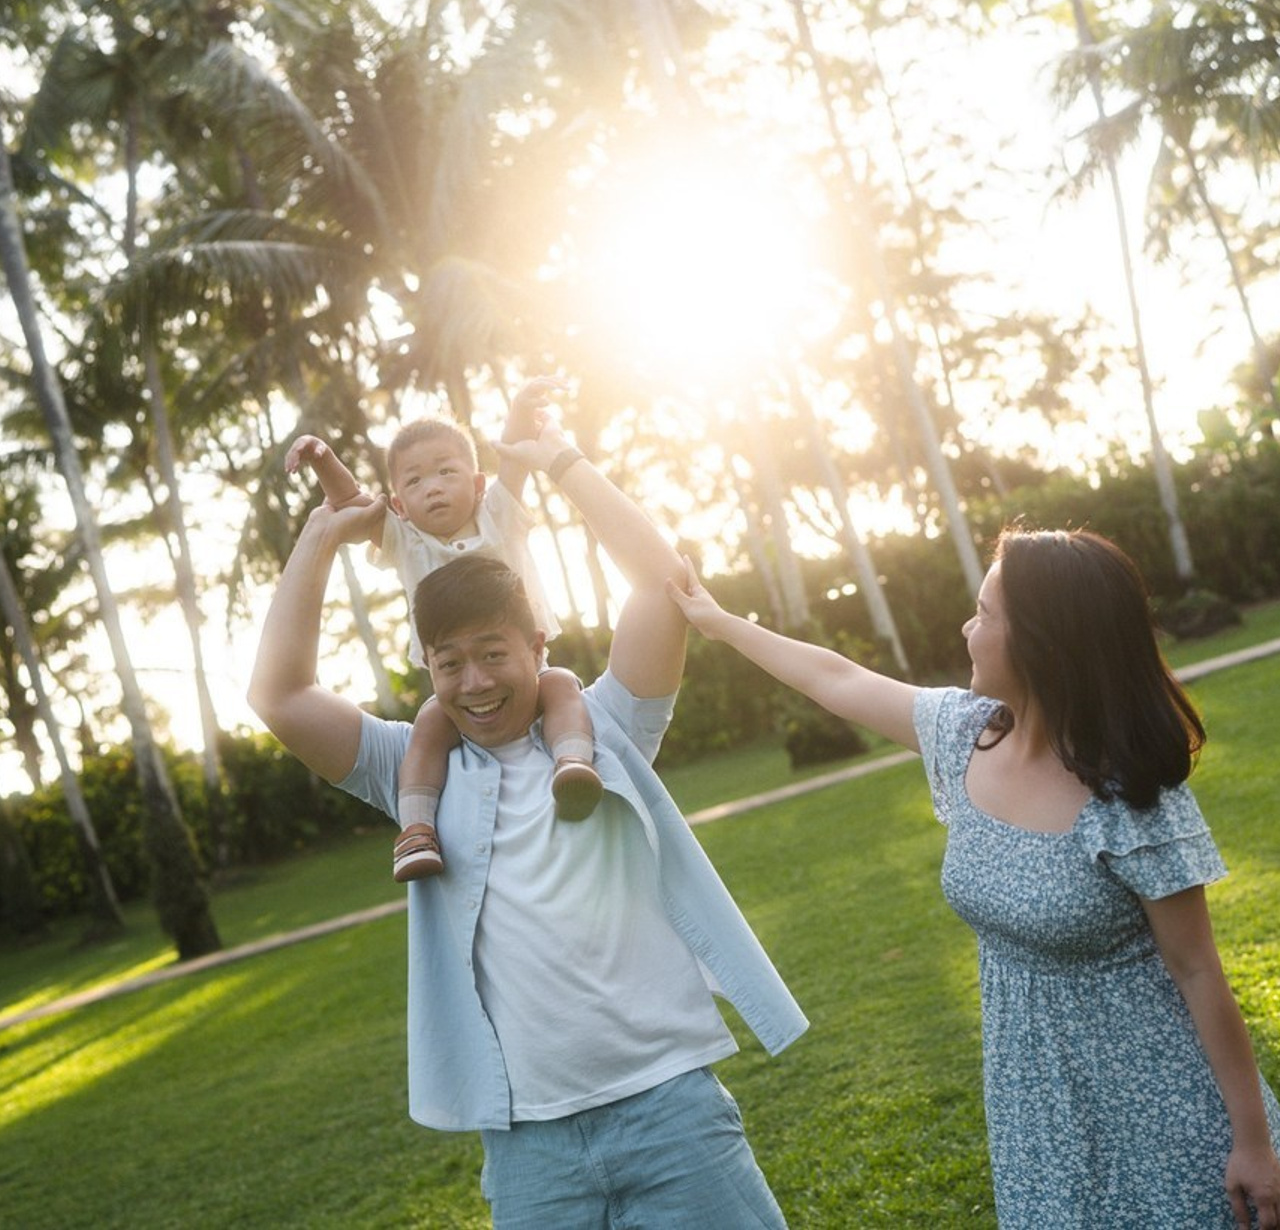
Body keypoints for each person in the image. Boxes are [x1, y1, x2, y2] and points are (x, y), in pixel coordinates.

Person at [249, 418, 807, 1226]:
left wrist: (562, 462)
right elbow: (280, 696)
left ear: (537, 646)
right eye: (449, 663)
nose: (474, 683)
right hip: (528, 1149)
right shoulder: (413, 768)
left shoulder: (608, 726)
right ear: (427, 666)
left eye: (493, 654)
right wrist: (323, 534)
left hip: (671, 1114)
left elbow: (664, 584)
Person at [666, 525, 1280, 1230]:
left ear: (1043, 643)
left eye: (985, 613)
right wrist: (719, 623)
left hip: (1164, 1105)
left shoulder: (1130, 794)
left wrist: (1254, 1142)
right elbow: (836, 678)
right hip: (1036, 1106)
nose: (966, 627)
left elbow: (1198, 970)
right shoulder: (966, 735)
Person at [284, 378, 602, 884]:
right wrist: (323, 459)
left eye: (446, 472)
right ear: (399, 504)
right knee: (429, 727)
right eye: (414, 481)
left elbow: (514, 461)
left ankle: (572, 765)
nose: (432, 487)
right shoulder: (403, 540)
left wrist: (520, 410)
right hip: (455, 683)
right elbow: (352, 502)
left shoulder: (497, 515)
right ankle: (416, 829)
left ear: (477, 484)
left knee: (562, 686)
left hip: (526, 667)